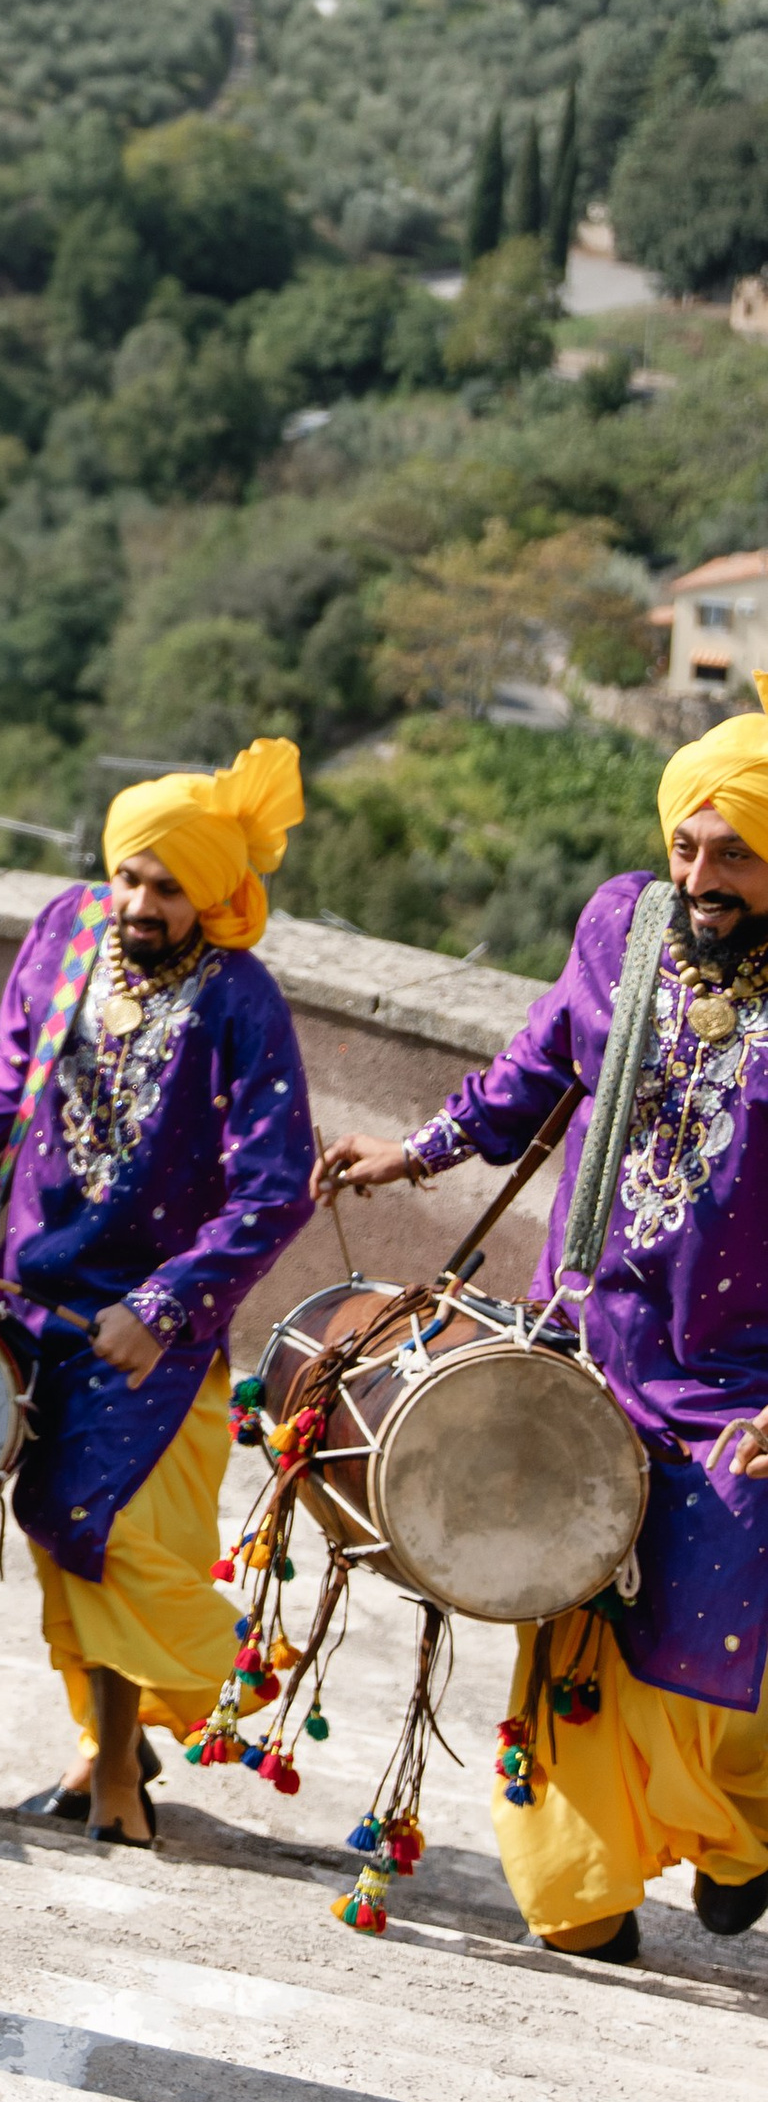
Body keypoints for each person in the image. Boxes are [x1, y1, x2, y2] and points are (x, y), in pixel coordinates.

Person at [319, 692, 768, 1964]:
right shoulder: (625, 923)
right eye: (687, 845)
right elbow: (535, 1074)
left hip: (738, 1378)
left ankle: (740, 1836)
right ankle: (584, 1895)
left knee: (706, 1640)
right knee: (566, 1614)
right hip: (593, 1340)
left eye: (732, 854)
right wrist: (413, 1154)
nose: (699, 876)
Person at [0, 741, 318, 1841]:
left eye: (167, 886)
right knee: (61, 1534)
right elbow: (5, 1088)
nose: (139, 904)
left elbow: (276, 1189)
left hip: (153, 1329)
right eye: (128, 878)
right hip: (35, 1294)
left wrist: (165, 1304)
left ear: (218, 894)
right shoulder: (66, 935)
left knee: (118, 1540)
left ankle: (169, 1732)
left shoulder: (240, 1003)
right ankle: (111, 1759)